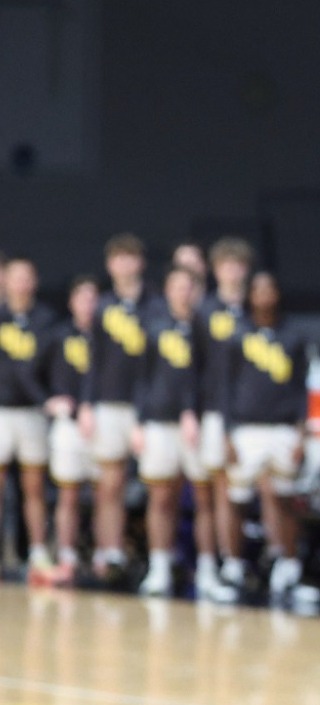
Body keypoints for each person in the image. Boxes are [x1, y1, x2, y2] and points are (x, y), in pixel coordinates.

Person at [225, 272, 310, 603]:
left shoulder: (294, 336)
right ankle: (233, 565)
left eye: (269, 288)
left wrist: (302, 432)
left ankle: (288, 565)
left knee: (285, 498)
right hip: (245, 428)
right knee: (237, 498)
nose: (263, 295)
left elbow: (305, 387)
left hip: (283, 428)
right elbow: (224, 387)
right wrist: (227, 432)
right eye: (257, 289)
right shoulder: (237, 336)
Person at [80, 233, 153, 583]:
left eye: (130, 257)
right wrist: (87, 404)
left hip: (148, 409)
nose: (124, 265)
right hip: (109, 404)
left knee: (157, 484)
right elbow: (92, 361)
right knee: (109, 482)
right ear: (110, 265)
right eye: (118, 258)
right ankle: (107, 550)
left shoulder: (154, 306)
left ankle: (158, 559)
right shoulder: (103, 307)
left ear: (140, 263)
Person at [132, 266, 206, 598]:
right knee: (161, 496)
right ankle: (159, 566)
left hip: (198, 425)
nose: (182, 293)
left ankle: (206, 570)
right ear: (167, 290)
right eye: (176, 286)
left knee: (204, 498)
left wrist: (196, 411)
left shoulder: (206, 327)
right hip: (159, 422)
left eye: (188, 287)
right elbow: (139, 377)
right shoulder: (152, 326)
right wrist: (139, 421)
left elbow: (213, 378)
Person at [195, 238, 254, 602]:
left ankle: (250, 560)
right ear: (215, 271)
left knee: (247, 489)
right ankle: (223, 562)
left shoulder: (256, 308)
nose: (232, 272)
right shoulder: (204, 311)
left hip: (252, 414)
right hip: (216, 411)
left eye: (238, 265)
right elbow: (195, 367)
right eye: (225, 265)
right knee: (219, 490)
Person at [0, 256, 56, 579]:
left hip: (32, 414)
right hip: (2, 413)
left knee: (34, 487)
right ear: (5, 281)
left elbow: (43, 370)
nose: (21, 283)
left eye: (27, 277)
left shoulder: (46, 320)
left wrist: (46, 399)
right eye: (15, 277)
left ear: (34, 281)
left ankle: (37, 552)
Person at [44, 277, 100, 585]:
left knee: (105, 493)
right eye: (82, 298)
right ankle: (67, 556)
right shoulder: (58, 335)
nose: (88, 305)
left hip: (101, 422)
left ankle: (104, 558)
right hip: (68, 423)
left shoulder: (109, 337)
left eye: (93, 299)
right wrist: (47, 400)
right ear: (71, 302)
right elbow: (34, 370)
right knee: (68, 492)